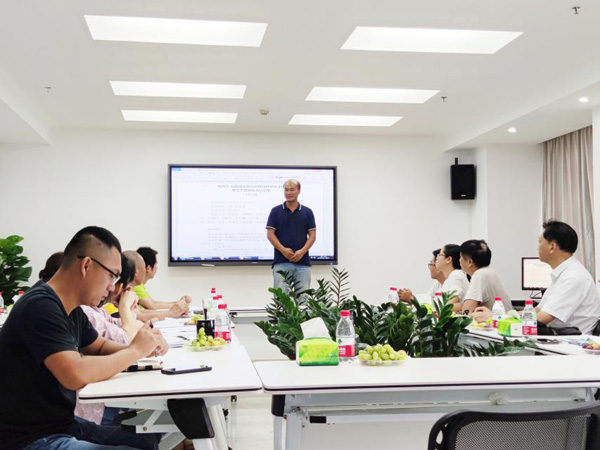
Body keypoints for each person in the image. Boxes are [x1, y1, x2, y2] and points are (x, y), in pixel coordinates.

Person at [0, 226, 166, 449]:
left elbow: (99, 347)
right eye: (112, 275)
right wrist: (134, 351)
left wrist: (143, 348)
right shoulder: (40, 306)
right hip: (29, 438)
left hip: (60, 424)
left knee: (146, 441)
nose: (112, 287)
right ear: (86, 265)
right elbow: (75, 374)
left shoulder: (71, 308)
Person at [77, 252, 145, 425]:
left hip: (102, 397)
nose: (111, 288)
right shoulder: (85, 311)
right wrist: (125, 308)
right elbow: (127, 341)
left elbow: (136, 327)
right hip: (95, 408)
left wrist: (129, 314)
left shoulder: (96, 310)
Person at [534, 220, 600, 334]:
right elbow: (537, 310)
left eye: (540, 242)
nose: (537, 248)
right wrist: (507, 316)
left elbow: (540, 319)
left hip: (571, 342)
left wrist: (507, 322)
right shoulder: (564, 274)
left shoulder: (573, 277)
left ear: (552, 247)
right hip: (558, 338)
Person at [266, 179, 316, 291]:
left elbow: (312, 236)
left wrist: (301, 252)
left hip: (303, 264)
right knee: (281, 299)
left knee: (304, 298)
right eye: (286, 190)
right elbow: (270, 234)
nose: (289, 193)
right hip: (281, 262)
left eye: (292, 190)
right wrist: (283, 250)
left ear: (299, 191)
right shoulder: (275, 211)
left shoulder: (307, 212)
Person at [458, 240, 513, 314]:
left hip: (497, 320)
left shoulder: (479, 275)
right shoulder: (489, 271)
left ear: (470, 262)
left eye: (461, 257)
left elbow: (467, 310)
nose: (459, 260)